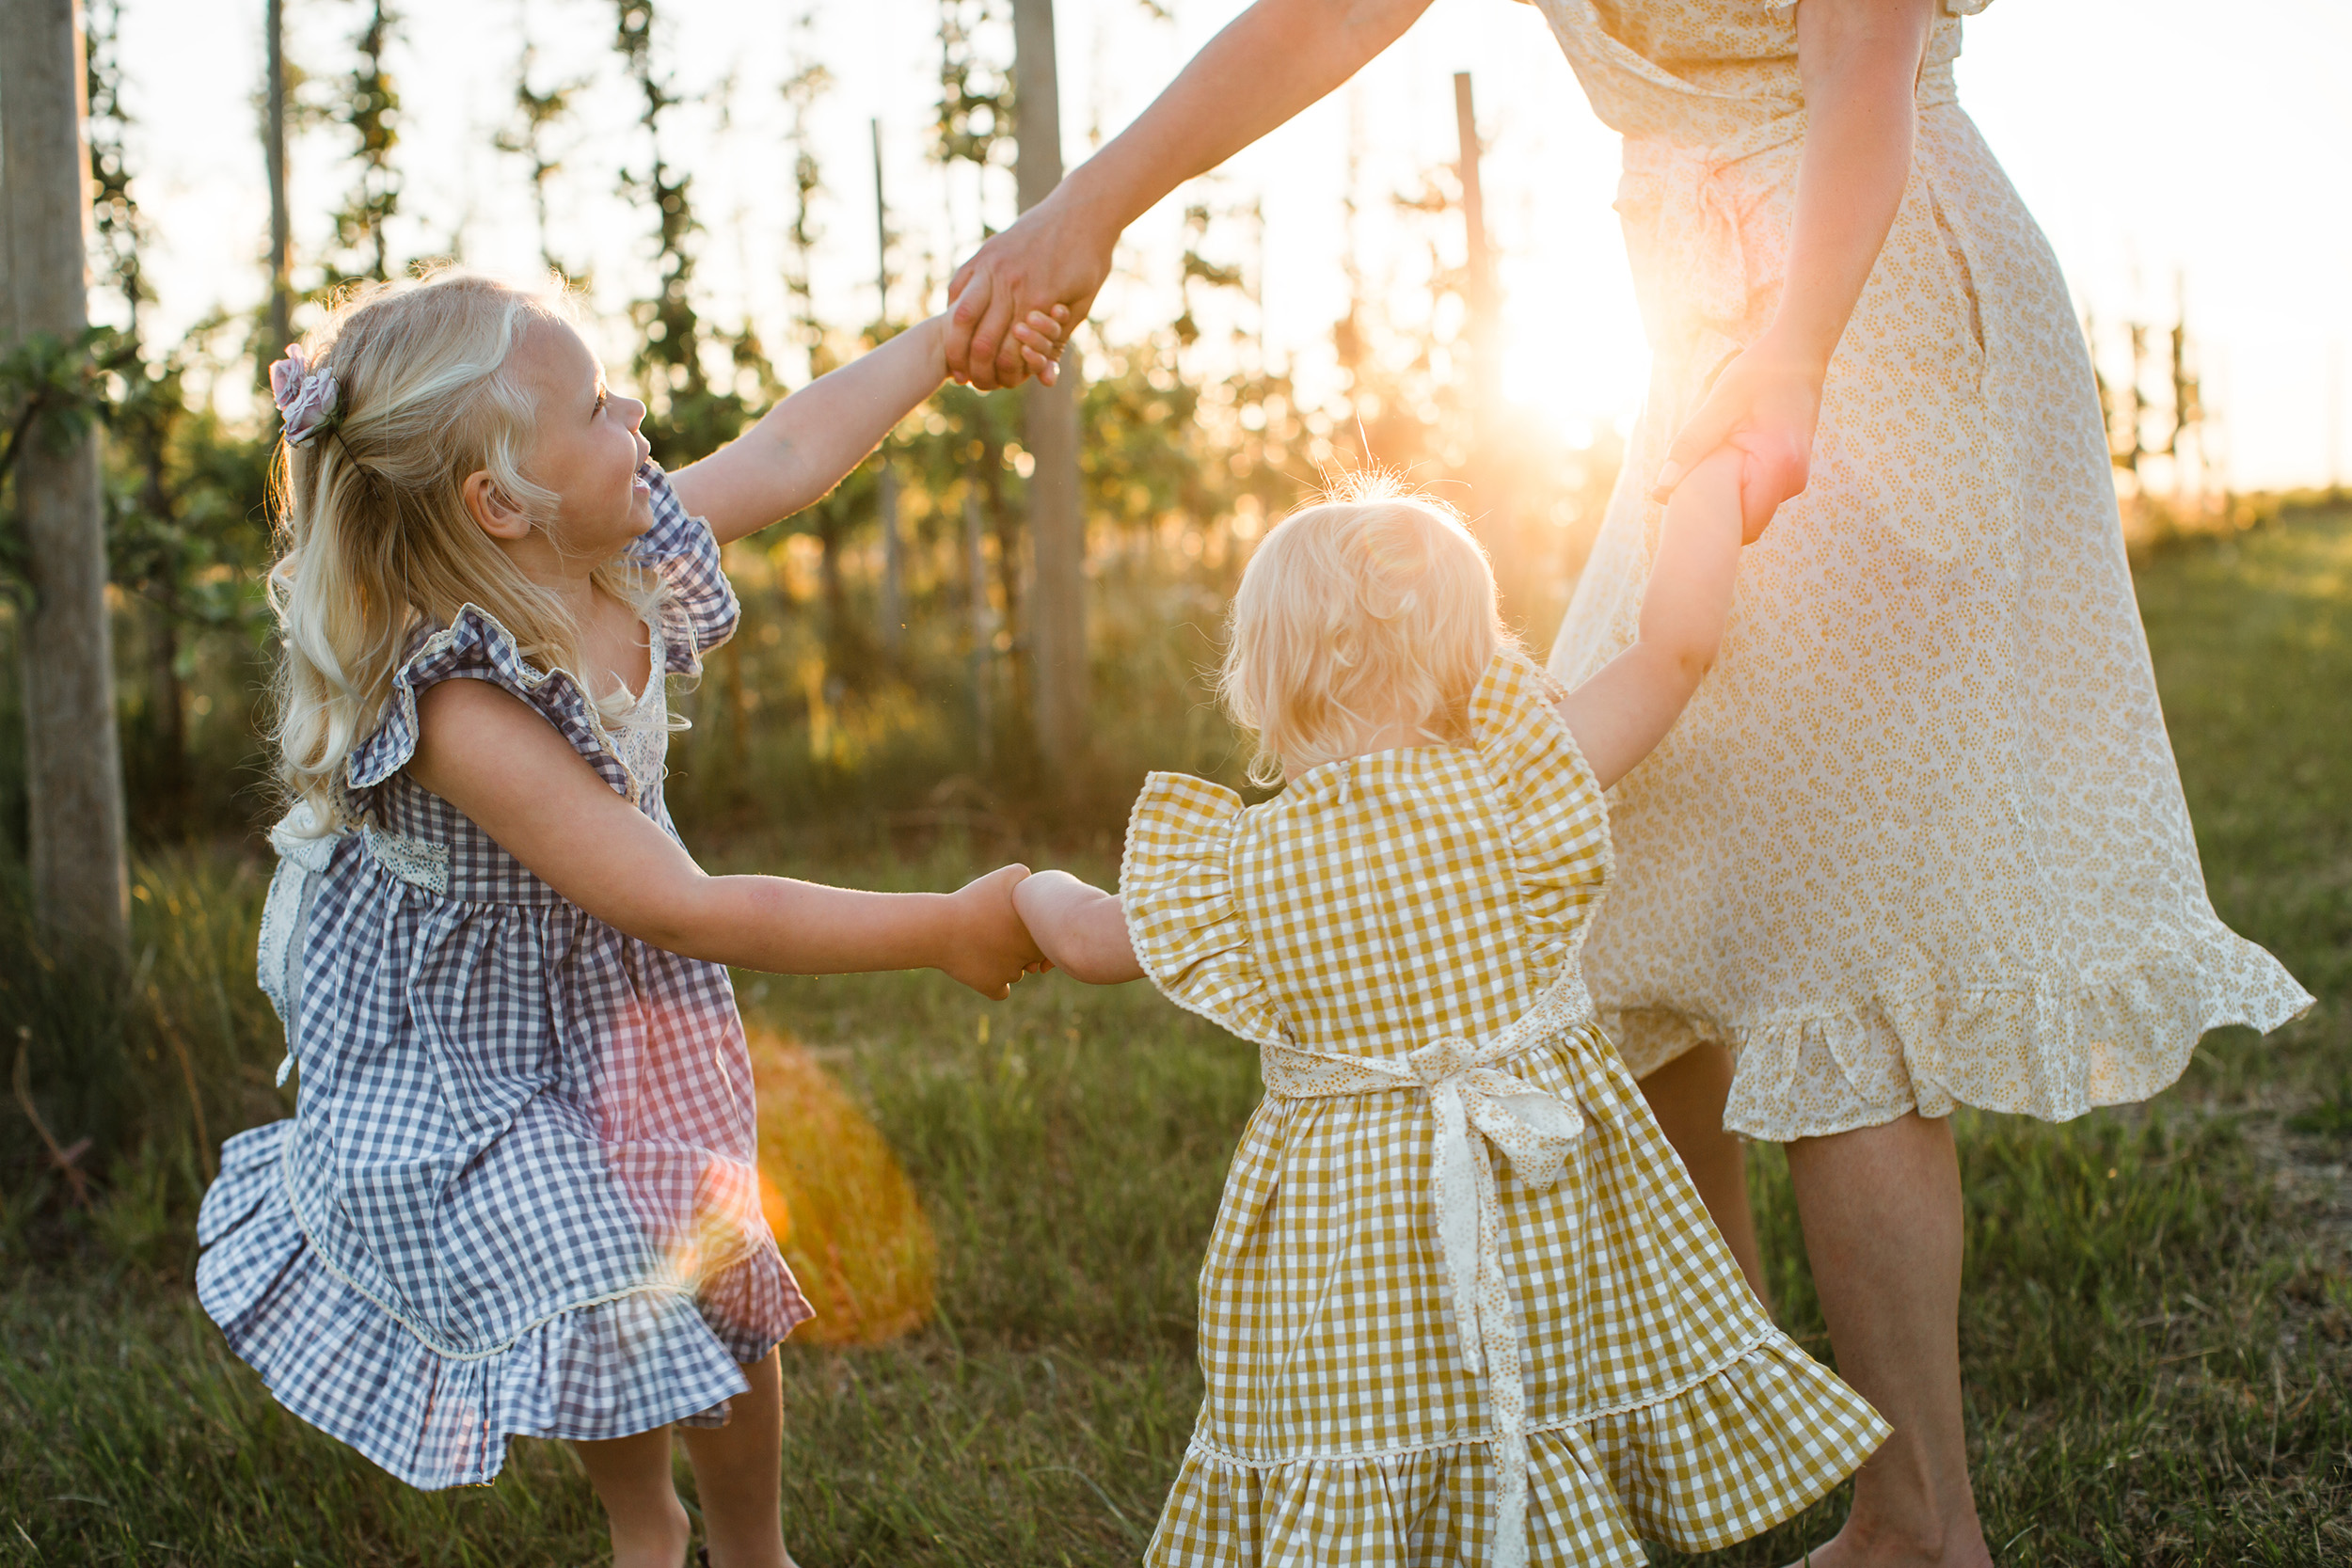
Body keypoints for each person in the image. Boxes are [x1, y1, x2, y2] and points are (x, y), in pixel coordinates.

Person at [944, 4, 2312, 1562]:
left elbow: (1862, 68)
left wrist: (1792, 354)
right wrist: (1091, 202)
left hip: (1862, 301)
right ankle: (1700, 1415)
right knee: (1612, 883)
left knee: (1826, 919)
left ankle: (1919, 1527)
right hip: (1705, 345)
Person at [196, 269, 1063, 1568]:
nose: (637, 411)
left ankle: (752, 1540)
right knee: (611, 1277)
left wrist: (941, 346)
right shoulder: (457, 711)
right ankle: (645, 1521)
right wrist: (942, 920)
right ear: (503, 502)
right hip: (476, 1050)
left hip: (621, 998)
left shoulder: (611, 546)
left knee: (712, 1264)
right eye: (599, 404)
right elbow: (686, 902)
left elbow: (785, 447)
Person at [1013, 463, 1887, 1567]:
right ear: (1467, 654)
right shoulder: (1519, 784)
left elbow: (1091, 939)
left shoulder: (1238, 861)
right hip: (1536, 1181)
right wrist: (1708, 493)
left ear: (1264, 672)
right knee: (1538, 1371)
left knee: (1371, 1409)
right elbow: (1672, 654)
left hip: (1353, 1228)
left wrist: (1022, 892)